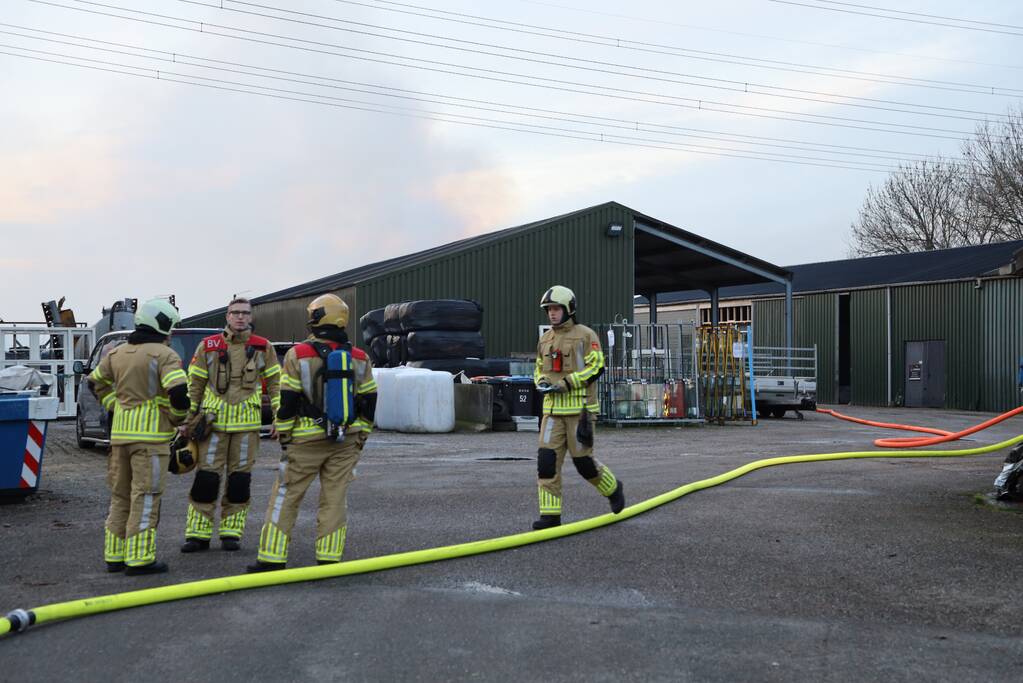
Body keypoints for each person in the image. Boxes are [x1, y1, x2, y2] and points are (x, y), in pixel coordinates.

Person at [248, 293, 377, 571]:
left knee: (286, 495)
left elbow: (288, 401)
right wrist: (361, 436)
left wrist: (285, 435)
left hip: (305, 439)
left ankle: (271, 558)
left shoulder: (298, 355)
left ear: (316, 319)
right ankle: (329, 558)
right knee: (335, 499)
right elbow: (369, 401)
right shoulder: (360, 357)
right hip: (346, 439)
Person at [88, 298, 189, 575]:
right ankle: (140, 558)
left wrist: (114, 405)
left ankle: (115, 556)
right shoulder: (165, 355)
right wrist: (176, 419)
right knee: (145, 496)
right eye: (171, 327)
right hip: (151, 440)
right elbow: (180, 396)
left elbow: (94, 382)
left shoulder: (118, 353)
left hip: (120, 438)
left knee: (120, 496)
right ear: (162, 325)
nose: (171, 333)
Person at [181, 297, 281, 553]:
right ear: (227, 316)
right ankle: (197, 534)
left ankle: (231, 533)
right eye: (235, 312)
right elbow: (194, 386)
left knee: (239, 481)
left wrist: (279, 418)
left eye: (245, 313)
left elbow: (276, 385)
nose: (240, 317)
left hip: (247, 428)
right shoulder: (208, 346)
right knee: (206, 479)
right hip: (212, 427)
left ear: (250, 317)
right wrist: (186, 421)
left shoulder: (263, 347)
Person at [532, 285, 625, 530]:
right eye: (549, 309)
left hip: (580, 411)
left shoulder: (586, 335)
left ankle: (613, 489)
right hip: (552, 412)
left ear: (569, 309)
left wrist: (567, 383)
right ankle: (550, 516)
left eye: (556, 308)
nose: (552, 313)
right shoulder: (545, 338)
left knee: (584, 463)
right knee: (546, 463)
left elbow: (597, 366)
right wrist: (540, 381)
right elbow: (538, 368)